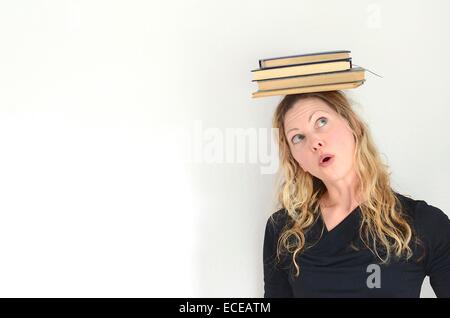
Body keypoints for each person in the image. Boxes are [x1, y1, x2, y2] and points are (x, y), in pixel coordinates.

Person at [263, 90, 450, 297]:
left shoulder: (423, 223)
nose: (314, 142)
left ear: (352, 126)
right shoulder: (282, 229)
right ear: (297, 160)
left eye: (321, 121)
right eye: (298, 137)